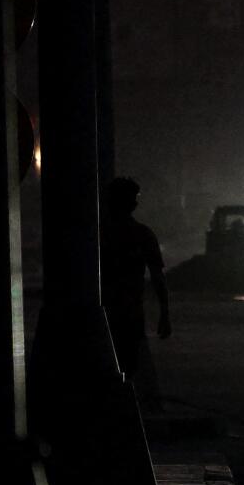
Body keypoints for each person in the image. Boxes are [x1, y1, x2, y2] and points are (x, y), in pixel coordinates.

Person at [101, 176, 172, 411]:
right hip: (127, 312)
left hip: (110, 312)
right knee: (127, 366)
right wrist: (164, 312)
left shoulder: (98, 235)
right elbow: (157, 276)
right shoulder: (141, 234)